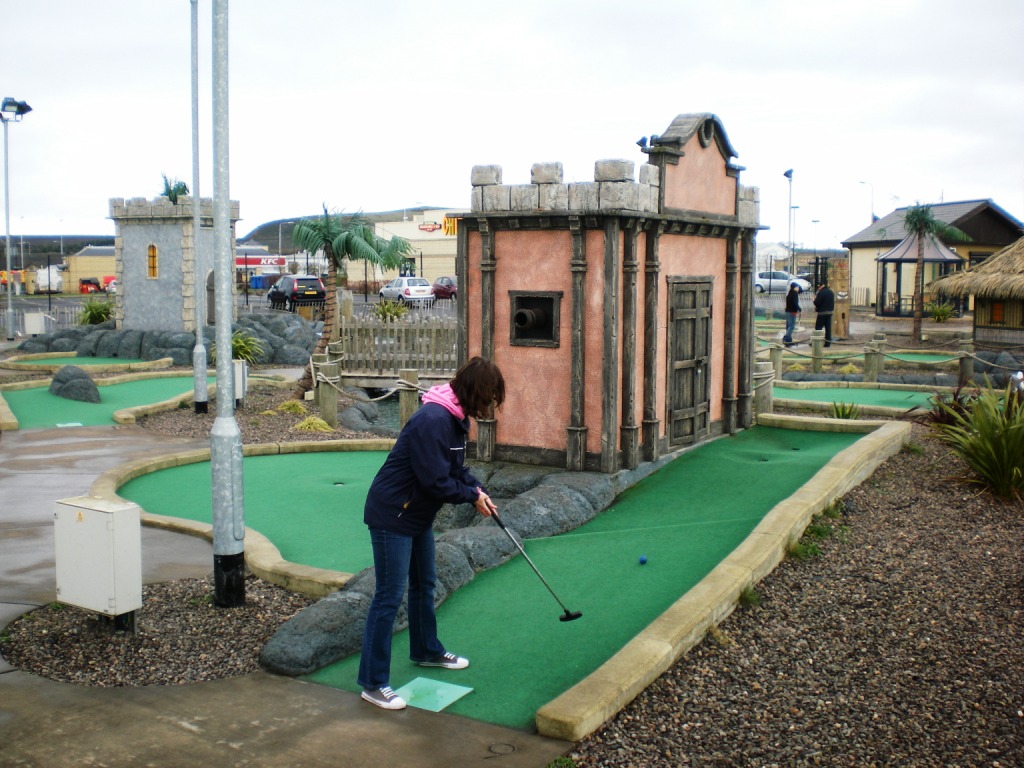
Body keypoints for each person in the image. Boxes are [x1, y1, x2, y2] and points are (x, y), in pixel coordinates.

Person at [357, 356, 506, 710]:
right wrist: (470, 496)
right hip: (392, 514)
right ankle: (373, 682)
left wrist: (476, 489)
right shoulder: (433, 420)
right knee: (388, 596)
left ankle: (426, 650)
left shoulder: (455, 418)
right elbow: (435, 481)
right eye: (488, 398)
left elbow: (455, 468)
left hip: (416, 515)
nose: (489, 407)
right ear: (475, 392)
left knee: (424, 584)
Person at [813, 283, 836, 347]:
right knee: (828, 328)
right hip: (830, 312)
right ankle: (827, 343)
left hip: (822, 313)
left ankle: (817, 342)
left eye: (818, 287)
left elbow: (817, 303)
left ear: (821, 286)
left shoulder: (821, 293)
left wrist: (814, 300)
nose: (818, 288)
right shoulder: (831, 292)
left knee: (818, 328)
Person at [783, 281, 801, 346]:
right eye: (797, 287)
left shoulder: (789, 293)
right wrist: (799, 309)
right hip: (792, 311)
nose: (798, 288)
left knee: (788, 326)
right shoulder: (795, 294)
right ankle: (786, 338)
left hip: (787, 311)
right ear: (795, 287)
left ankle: (789, 340)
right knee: (791, 326)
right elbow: (795, 303)